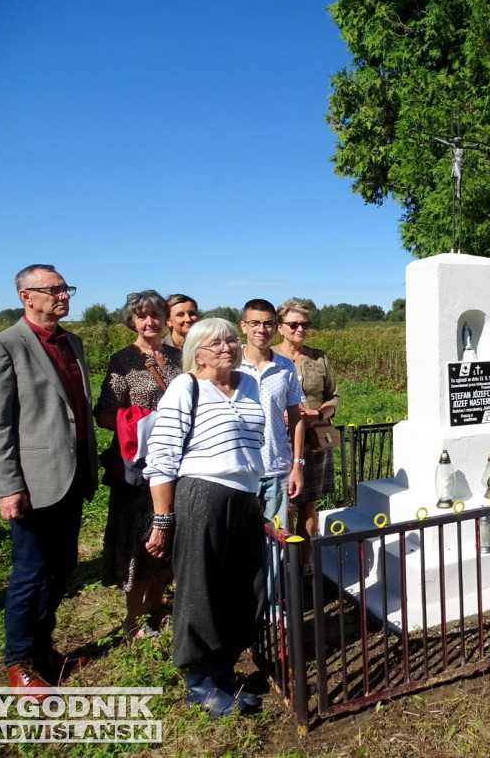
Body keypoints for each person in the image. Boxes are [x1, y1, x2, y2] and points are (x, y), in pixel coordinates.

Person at [0, 264, 98, 691]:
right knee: (30, 573)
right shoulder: (5, 346)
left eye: (67, 288)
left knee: (61, 567)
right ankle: (18, 663)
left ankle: (45, 649)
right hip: (33, 481)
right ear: (26, 296)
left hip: (72, 475)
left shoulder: (73, 342)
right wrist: (9, 485)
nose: (65, 295)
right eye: (55, 289)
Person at [143, 318, 267, 716]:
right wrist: (163, 518)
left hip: (246, 496)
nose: (226, 348)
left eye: (231, 340)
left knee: (247, 586)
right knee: (200, 589)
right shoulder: (187, 386)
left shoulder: (248, 384)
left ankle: (224, 667)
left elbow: (256, 441)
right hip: (202, 493)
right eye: (214, 344)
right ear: (197, 352)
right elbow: (161, 453)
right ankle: (199, 680)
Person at [94, 290, 182, 638]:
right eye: (142, 315)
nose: (150, 322)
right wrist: (141, 418)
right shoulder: (123, 360)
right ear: (132, 319)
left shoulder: (179, 358)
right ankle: (132, 620)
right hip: (139, 465)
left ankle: (155, 606)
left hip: (176, 461)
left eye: (156, 315)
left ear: (165, 320)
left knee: (169, 535)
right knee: (139, 540)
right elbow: (103, 413)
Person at [273, 299, 340, 545]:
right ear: (280, 327)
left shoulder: (319, 358)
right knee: (286, 507)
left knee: (309, 505)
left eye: (305, 324)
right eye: (293, 324)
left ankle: (307, 570)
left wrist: (321, 414)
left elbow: (334, 395)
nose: (300, 329)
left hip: (313, 440)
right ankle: (285, 570)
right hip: (281, 441)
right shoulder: (270, 358)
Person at [238, 299, 306, 531]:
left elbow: (296, 419)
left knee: (276, 541)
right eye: (254, 323)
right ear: (243, 326)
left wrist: (297, 465)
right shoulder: (230, 364)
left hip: (277, 468)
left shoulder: (285, 367)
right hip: (240, 469)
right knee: (240, 541)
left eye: (268, 323)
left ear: (276, 327)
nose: (261, 329)